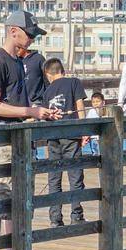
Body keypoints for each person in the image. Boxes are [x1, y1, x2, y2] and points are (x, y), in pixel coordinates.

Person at [0, 10, 61, 250]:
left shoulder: (18, 62)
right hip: (3, 140)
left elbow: (20, 103)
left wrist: (41, 114)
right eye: (29, 34)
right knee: (0, 195)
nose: (32, 40)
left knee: (21, 197)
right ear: (13, 31)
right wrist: (30, 112)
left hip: (22, 138)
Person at [40, 57, 88, 228]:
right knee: (75, 176)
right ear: (62, 70)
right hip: (71, 134)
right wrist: (84, 130)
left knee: (54, 178)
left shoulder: (47, 91)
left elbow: (44, 115)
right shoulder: (74, 82)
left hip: (52, 137)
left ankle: (55, 218)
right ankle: (76, 216)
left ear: (48, 74)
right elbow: (79, 106)